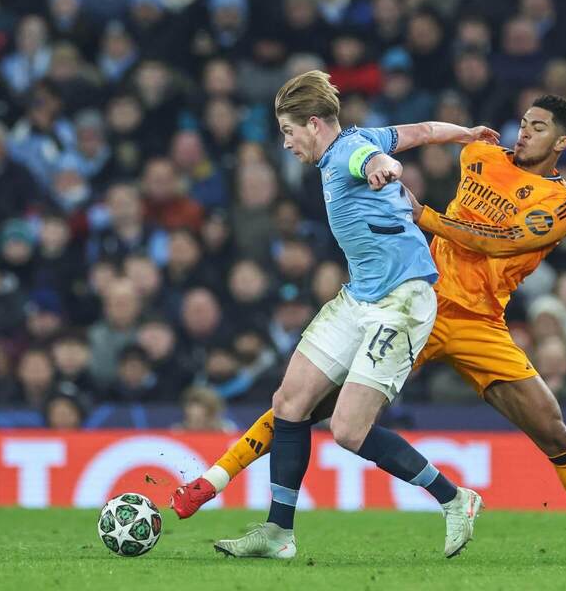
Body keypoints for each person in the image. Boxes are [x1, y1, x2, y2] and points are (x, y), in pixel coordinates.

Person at [174, 91, 566, 564]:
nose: (523, 133)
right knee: (306, 402)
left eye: (537, 127)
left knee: (551, 427)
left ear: (563, 142)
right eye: (523, 122)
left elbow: (501, 241)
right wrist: (456, 137)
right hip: (418, 296)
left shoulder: (565, 205)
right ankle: (219, 484)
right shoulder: (481, 156)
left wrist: (425, 216)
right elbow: (412, 134)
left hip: (481, 321)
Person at [202, 70, 488, 560]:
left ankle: (455, 498)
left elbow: (376, 161)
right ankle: (278, 533)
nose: (287, 144)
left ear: (314, 124)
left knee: (349, 431)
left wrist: (386, 170)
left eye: (289, 132)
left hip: (402, 301)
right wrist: (463, 133)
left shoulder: (349, 155)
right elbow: (417, 133)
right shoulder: (364, 136)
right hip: (359, 298)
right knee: (289, 401)